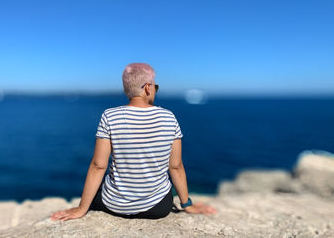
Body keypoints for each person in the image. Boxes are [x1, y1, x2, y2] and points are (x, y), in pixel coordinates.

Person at [50, 63, 217, 221]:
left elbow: (98, 166)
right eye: (155, 87)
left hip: (113, 205)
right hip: (158, 207)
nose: (155, 91)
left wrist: (81, 209)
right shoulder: (169, 117)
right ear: (147, 88)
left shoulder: (109, 116)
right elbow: (175, 166)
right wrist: (187, 205)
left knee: (101, 188)